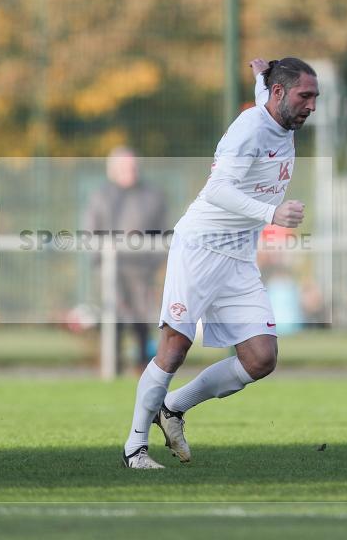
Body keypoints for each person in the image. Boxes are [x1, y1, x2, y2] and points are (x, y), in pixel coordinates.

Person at [122, 57, 318, 468]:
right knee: (174, 347)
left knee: (261, 358)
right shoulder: (247, 130)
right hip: (199, 249)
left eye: (315, 97)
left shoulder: (277, 111)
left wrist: (260, 77)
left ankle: (172, 408)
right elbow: (216, 191)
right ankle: (135, 447)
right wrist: (272, 215)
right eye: (305, 95)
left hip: (238, 259)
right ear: (282, 94)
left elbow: (265, 94)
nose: (312, 105)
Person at [83, 147, 169, 373]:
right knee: (113, 318)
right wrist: (100, 262)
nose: (129, 171)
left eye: (132, 166)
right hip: (112, 270)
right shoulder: (101, 196)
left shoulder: (152, 196)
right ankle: (113, 365)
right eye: (123, 167)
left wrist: (154, 262)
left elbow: (162, 233)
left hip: (142, 269)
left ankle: (143, 366)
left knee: (142, 320)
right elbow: (91, 231)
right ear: (112, 170)